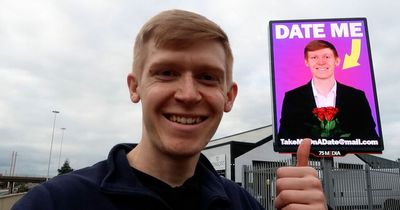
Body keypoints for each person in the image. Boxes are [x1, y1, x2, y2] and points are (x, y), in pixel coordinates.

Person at [13, 10, 328, 210]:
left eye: (207, 77)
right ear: (135, 87)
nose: (189, 94)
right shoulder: (54, 203)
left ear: (228, 96)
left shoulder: (242, 205)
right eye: (166, 72)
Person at [278, 40, 378, 141]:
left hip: (350, 157)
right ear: (306, 62)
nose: (321, 62)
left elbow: (371, 137)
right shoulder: (292, 98)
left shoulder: (356, 97)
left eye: (326, 57)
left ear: (337, 60)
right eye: (314, 57)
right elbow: (284, 138)